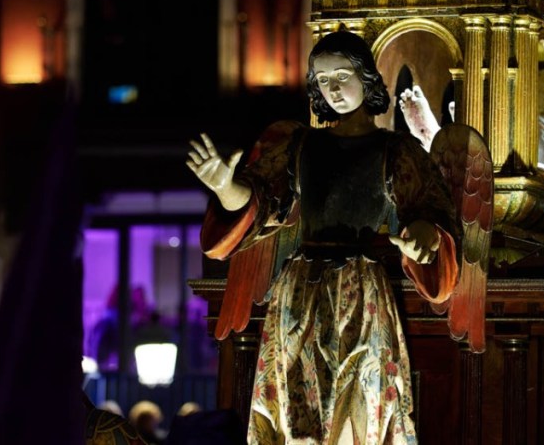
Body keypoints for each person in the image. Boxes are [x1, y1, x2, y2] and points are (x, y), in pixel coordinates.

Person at [187, 30, 464, 444]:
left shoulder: (397, 150)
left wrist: (424, 236)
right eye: (322, 79)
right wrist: (227, 188)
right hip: (301, 292)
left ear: (366, 77)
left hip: (360, 292)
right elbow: (262, 203)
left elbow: (429, 210)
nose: (332, 88)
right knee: (297, 400)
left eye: (342, 76)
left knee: (360, 395)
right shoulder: (299, 144)